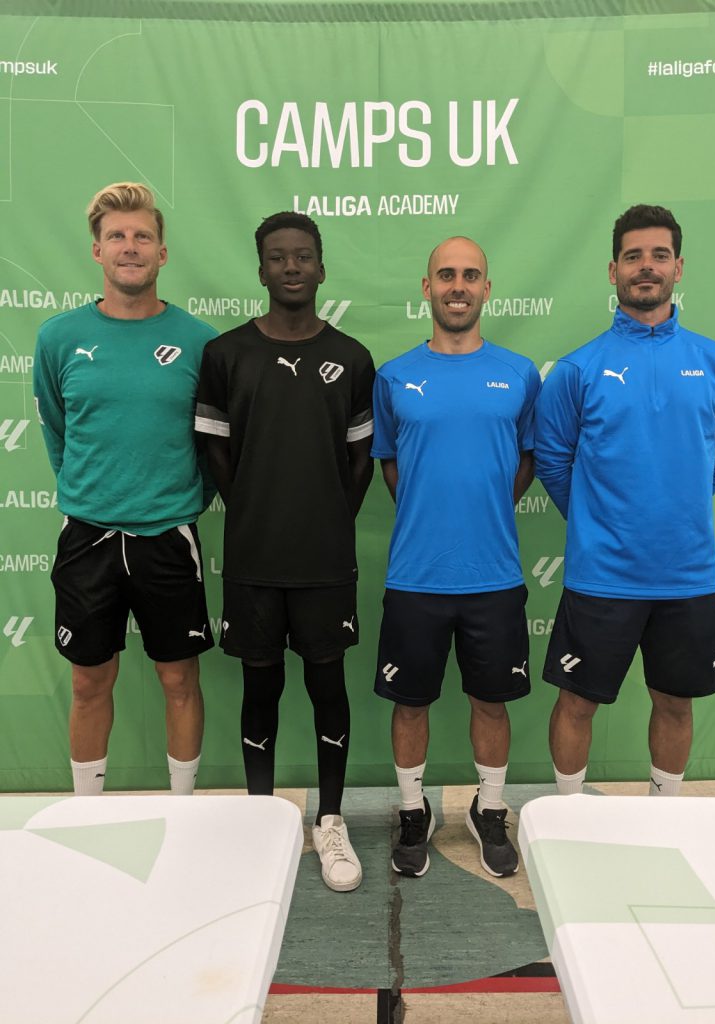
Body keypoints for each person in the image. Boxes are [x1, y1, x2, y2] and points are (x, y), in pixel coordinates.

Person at [535, 204, 715, 797]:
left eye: (659, 255)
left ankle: (663, 816)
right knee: (577, 702)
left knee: (675, 702)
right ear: (613, 271)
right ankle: (569, 817)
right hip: (602, 574)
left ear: (678, 267)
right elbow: (552, 460)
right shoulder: (578, 368)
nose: (645, 266)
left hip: (686, 574)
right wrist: (599, 520)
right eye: (633, 257)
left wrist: (677, 503)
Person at [195, 212, 374, 893]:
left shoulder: (352, 358)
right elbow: (214, 451)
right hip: (254, 560)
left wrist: (323, 516)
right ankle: (261, 821)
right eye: (278, 257)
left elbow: (360, 461)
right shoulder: (227, 354)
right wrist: (254, 510)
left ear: (322, 268)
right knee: (260, 686)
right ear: (261, 269)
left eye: (303, 256)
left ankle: (331, 819)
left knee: (328, 686)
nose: (291, 267)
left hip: (324, 561)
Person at [33, 182, 218, 796]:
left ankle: (183, 810)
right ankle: (87, 813)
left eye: (142, 236)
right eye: (117, 236)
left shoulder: (199, 341)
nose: (129, 246)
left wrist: (182, 501)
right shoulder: (58, 338)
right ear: (97, 251)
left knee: (179, 680)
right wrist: (89, 493)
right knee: (89, 682)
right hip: (87, 536)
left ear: (162, 252)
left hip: (168, 535)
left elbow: (212, 443)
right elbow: (57, 431)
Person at [372, 236, 540, 879]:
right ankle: (413, 810)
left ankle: (489, 809)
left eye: (471, 274)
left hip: (493, 573)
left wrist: (485, 507)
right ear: (427, 287)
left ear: (487, 288)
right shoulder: (394, 376)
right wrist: (431, 509)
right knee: (409, 703)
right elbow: (391, 465)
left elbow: (526, 461)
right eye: (446, 274)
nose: (458, 285)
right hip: (416, 574)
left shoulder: (519, 374)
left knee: (491, 702)